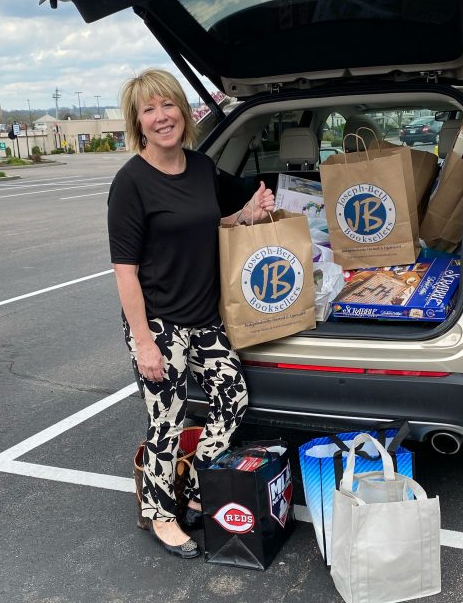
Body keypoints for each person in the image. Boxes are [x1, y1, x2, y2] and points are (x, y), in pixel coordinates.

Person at [107, 68, 274, 559]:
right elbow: (125, 272)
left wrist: (246, 215)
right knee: (168, 421)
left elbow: (209, 222)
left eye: (168, 106)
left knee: (232, 399)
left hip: (203, 319)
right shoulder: (131, 183)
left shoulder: (201, 167)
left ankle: (197, 483)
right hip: (159, 322)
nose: (162, 117)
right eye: (149, 110)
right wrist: (144, 342)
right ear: (138, 123)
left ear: (183, 110)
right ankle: (161, 514)